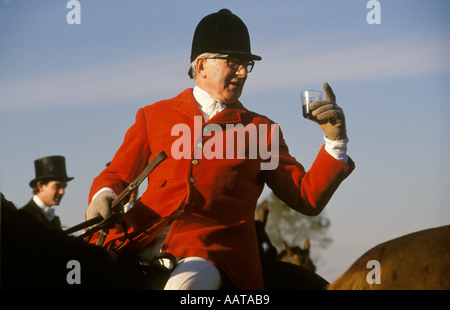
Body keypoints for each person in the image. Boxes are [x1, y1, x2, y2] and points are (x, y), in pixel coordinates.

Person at [86, 9, 355, 290]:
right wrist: (104, 195)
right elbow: (117, 173)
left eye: (246, 65)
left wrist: (335, 141)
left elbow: (306, 197)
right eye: (233, 62)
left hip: (211, 254)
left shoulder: (261, 130)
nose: (242, 73)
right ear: (201, 66)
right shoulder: (153, 115)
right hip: (137, 237)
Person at [21, 155, 74, 230]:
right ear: (40, 186)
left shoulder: (53, 219)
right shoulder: (24, 217)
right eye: (57, 186)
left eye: (64, 187)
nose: (62, 192)